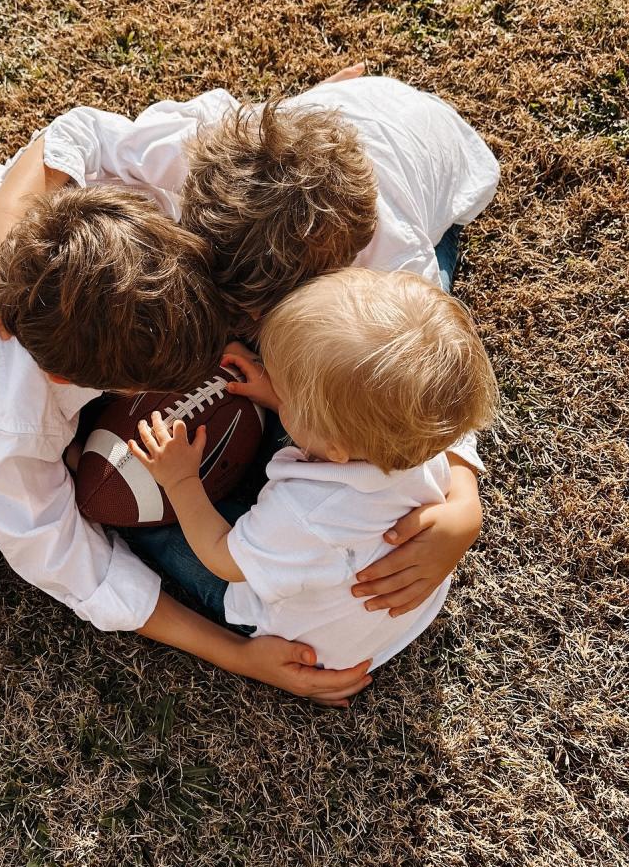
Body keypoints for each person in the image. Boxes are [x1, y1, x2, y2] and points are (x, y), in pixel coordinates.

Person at [0, 164, 371, 705]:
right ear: (63, 379)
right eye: (146, 386)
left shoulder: (140, 212)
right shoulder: (10, 418)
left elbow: (78, 132)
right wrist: (239, 654)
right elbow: (70, 562)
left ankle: (62, 442)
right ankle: (25, 449)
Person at [0, 67, 499, 617]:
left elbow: (428, 372)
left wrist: (463, 495)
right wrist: (2, 218)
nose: (229, 327)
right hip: (331, 139)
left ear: (336, 275)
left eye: (252, 315)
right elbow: (81, 131)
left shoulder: (389, 259)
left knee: (356, 402)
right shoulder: (194, 146)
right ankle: (324, 106)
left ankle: (330, 110)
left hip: (430, 178)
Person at [128, 268, 499, 669]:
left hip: (302, 638)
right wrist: (282, 397)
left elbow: (225, 561)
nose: (275, 384)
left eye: (287, 393)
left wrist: (181, 480)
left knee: (163, 533)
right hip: (389, 616)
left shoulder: (305, 514)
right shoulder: (419, 438)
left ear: (335, 448)